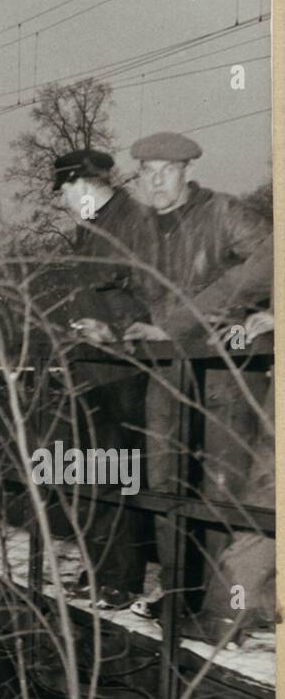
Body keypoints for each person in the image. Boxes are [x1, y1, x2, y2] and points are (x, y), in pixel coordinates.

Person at [123, 131, 274, 643]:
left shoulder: (224, 213)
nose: (157, 180)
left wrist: (264, 315)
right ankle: (179, 600)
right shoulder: (143, 230)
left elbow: (273, 257)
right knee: (165, 487)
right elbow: (140, 296)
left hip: (223, 375)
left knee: (221, 492)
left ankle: (224, 612)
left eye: (167, 169)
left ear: (186, 170)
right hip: (167, 374)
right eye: (147, 172)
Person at [53, 148, 154, 608]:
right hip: (93, 368)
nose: (64, 201)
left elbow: (151, 290)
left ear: (82, 184)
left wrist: (112, 331)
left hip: (123, 367)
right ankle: (100, 569)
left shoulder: (131, 221)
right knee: (99, 472)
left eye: (65, 191)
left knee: (121, 472)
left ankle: (123, 577)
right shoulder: (93, 226)